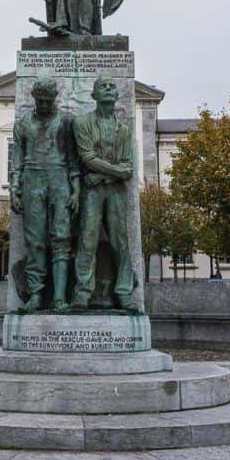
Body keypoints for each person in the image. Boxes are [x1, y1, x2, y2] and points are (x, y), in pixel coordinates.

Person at [10, 78, 79, 312]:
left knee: (62, 238)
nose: (44, 104)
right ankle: (36, 294)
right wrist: (14, 190)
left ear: (55, 99)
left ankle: (59, 297)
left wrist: (76, 189)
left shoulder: (66, 122)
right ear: (34, 99)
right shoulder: (22, 124)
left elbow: (73, 159)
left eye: (48, 100)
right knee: (35, 241)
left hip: (60, 178)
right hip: (32, 179)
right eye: (40, 100)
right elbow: (17, 160)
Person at [71, 76, 137, 311]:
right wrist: (115, 171)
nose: (108, 89)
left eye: (112, 87)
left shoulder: (124, 130)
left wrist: (103, 175)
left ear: (117, 95)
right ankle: (83, 292)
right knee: (87, 240)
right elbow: (87, 157)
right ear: (94, 95)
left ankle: (124, 292)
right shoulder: (82, 123)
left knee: (121, 242)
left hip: (114, 191)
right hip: (92, 193)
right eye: (103, 87)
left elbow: (128, 169)